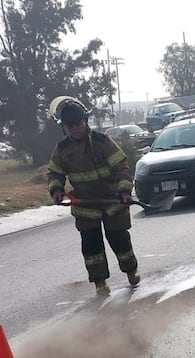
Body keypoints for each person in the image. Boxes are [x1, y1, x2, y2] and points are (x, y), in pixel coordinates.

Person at [46, 98, 139, 296]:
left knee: (119, 239)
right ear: (65, 128)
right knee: (91, 246)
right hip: (85, 206)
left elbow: (121, 166)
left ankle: (131, 271)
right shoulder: (62, 149)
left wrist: (124, 190)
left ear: (85, 121)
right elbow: (55, 173)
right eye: (70, 126)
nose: (75, 129)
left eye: (78, 124)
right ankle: (100, 283)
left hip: (112, 202)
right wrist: (56, 190)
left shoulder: (102, 142)